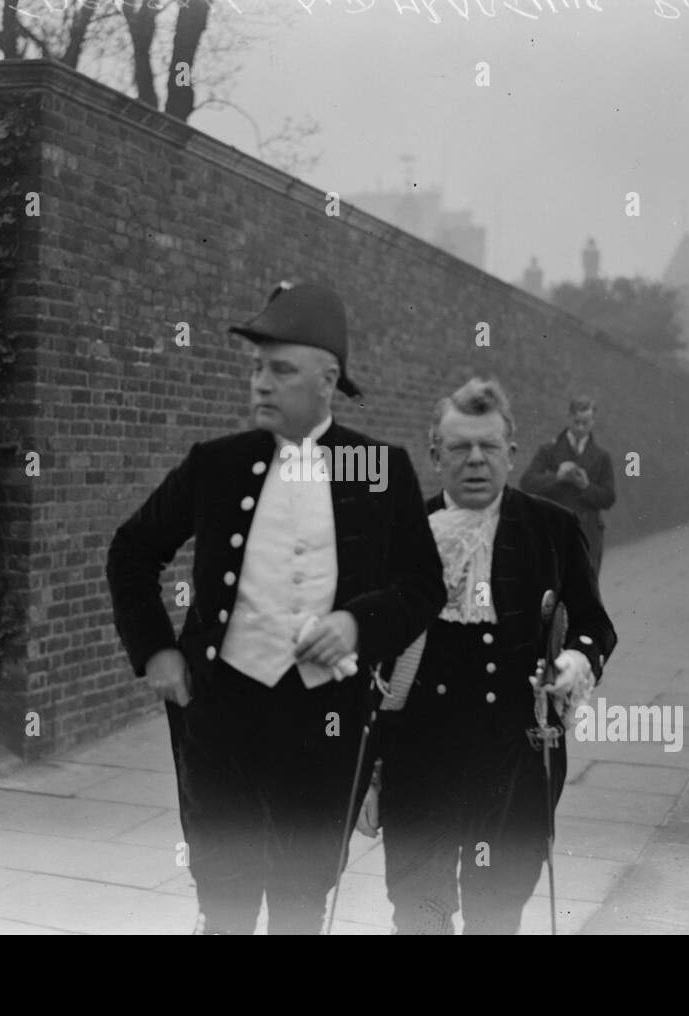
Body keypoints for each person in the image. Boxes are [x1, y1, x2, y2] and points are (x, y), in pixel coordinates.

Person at [105, 281, 446, 935]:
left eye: (280, 370)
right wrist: (156, 649)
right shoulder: (215, 465)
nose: (261, 383)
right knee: (225, 902)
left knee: (300, 902)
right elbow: (132, 550)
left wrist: (358, 623)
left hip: (325, 722)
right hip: (221, 716)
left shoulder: (379, 467)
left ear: (328, 379)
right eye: (256, 368)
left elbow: (423, 583)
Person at [357, 378, 617, 934]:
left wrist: (573, 664)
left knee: (495, 916)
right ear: (433, 454)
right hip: (417, 761)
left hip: (514, 763)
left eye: (489, 447)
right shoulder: (399, 533)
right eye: (458, 447)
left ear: (512, 454)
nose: (475, 460)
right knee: (419, 914)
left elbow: (595, 625)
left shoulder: (551, 528)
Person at [518, 395, 616, 576]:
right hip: (553, 529)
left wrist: (586, 486)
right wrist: (557, 477)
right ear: (568, 417)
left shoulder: (602, 456)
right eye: (576, 422)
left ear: (593, 421)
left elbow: (609, 498)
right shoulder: (549, 450)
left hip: (588, 533)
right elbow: (527, 482)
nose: (580, 428)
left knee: (584, 590)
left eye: (585, 423)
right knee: (551, 585)